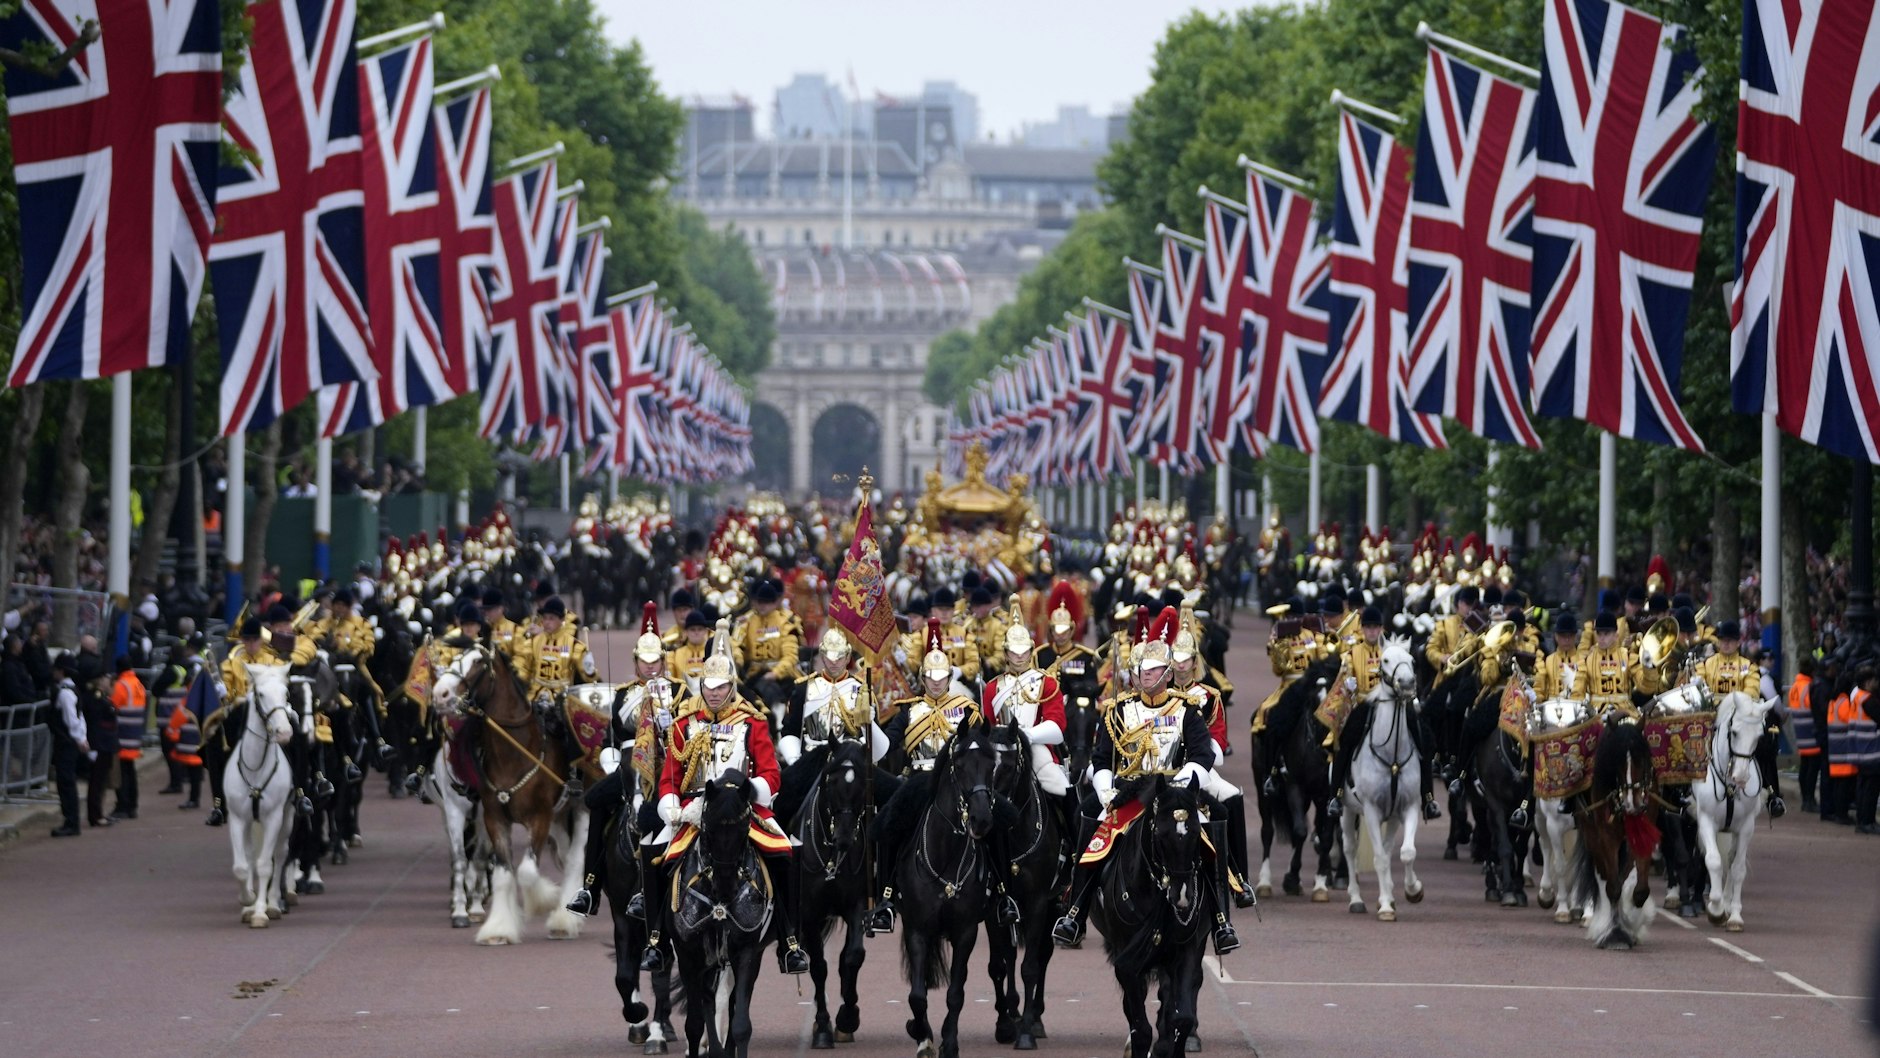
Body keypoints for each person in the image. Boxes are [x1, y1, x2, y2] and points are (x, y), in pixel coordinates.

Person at [1053, 614, 1240, 955]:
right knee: (1092, 825)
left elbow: (1202, 753)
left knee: (1209, 830)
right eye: (1143, 670)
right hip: (1130, 795)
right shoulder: (1119, 710)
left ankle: (1221, 921)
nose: (1147, 675)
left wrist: (1184, 784)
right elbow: (1101, 758)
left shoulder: (1187, 711)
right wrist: (1105, 789)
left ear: (1168, 674)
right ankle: (1075, 911)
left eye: (1154, 671)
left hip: (1174, 793)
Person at [640, 618, 808, 976]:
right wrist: (670, 804)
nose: (714, 694)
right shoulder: (685, 723)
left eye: (721, 688)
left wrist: (750, 791)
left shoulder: (752, 722)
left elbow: (771, 774)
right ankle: (656, 940)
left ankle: (790, 941)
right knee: (653, 850)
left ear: (732, 686)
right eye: (709, 687)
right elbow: (670, 775)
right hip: (693, 810)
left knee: (786, 852)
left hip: (741, 809)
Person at [868, 618, 983, 935]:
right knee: (889, 822)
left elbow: (979, 748)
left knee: (997, 817)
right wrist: (870, 721)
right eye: (930, 677)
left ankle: (1001, 892)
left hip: (958, 783)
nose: (935, 683)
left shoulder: (967, 709)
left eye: (941, 677)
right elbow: (884, 748)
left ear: (949, 677)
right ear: (922, 678)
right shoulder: (908, 710)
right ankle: (886, 897)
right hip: (919, 781)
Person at [567, 603, 678, 919]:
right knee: (596, 800)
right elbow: (610, 738)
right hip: (630, 765)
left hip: (667, 766)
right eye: (644, 662)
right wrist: (610, 761)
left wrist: (670, 723)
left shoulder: (679, 691)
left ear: (663, 662)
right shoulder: (622, 695)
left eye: (655, 662)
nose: (650, 668)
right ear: (636, 663)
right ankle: (590, 886)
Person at [1697, 621, 1784, 817]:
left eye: (1730, 640)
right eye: (1723, 640)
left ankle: (1770, 793)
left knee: (1763, 746)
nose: (1726, 644)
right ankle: (1686, 792)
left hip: (1740, 719)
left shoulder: (1749, 667)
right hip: (1712, 719)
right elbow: (1700, 688)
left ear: (1738, 642)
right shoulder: (1705, 665)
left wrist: (1735, 709)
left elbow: (1751, 692)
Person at [47, 654, 85, 837]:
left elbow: (71, 720)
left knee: (66, 783)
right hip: (70, 742)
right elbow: (79, 717)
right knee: (67, 782)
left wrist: (79, 739)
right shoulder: (73, 689)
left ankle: (71, 821)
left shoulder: (64, 693)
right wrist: (82, 738)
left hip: (65, 743)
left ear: (61, 671)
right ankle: (71, 820)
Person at [108, 655, 146, 820]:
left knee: (121, 773)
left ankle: (122, 806)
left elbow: (111, 706)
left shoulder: (121, 685)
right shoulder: (137, 684)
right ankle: (132, 806)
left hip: (122, 735)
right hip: (134, 735)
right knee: (130, 771)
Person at [1789, 657, 1822, 815]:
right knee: (1812, 768)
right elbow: (1815, 706)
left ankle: (1805, 799)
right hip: (1811, 730)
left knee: (1805, 766)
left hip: (1800, 729)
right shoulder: (1809, 687)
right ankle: (1809, 799)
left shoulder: (1795, 686)